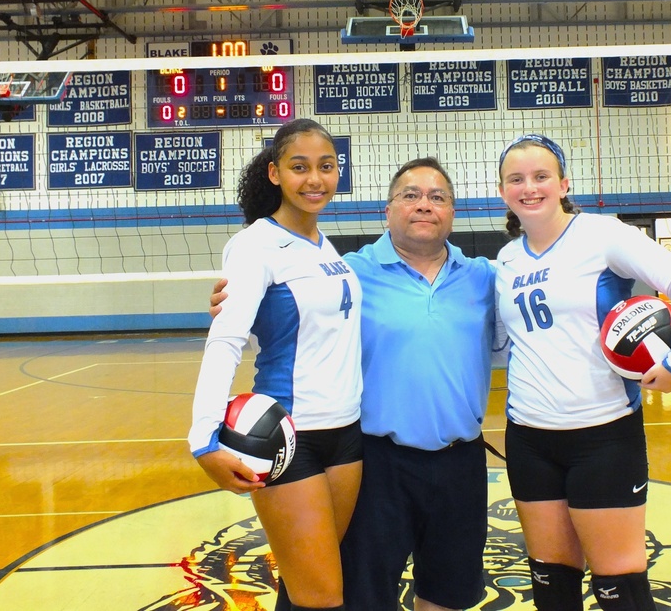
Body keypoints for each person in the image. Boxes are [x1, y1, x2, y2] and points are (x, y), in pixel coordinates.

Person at [211, 156, 501, 611]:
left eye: (437, 197)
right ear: (387, 210)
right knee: (357, 595)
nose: (424, 205)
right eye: (410, 195)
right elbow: (282, 315)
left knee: (449, 594)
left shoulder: (485, 277)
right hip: (376, 464)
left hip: (460, 463)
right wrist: (236, 304)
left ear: (452, 212)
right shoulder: (347, 273)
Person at [494, 134, 671, 611]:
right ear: (503, 190)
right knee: (551, 582)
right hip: (529, 438)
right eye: (516, 179)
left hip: (603, 435)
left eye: (540, 177)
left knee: (620, 587)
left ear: (563, 183)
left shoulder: (602, 234)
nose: (529, 187)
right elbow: (504, 344)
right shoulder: (506, 260)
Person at [189, 119, 363, 611]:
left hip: (346, 434)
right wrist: (203, 439)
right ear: (274, 174)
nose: (315, 179)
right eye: (300, 167)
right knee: (324, 596)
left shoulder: (325, 245)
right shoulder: (254, 246)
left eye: (326, 167)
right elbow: (225, 342)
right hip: (290, 437)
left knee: (305, 583)